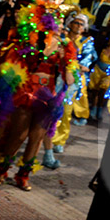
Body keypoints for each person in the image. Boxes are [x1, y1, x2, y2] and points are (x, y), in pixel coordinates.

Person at [0, 0, 78, 191]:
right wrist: (45, 49)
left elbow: (70, 79)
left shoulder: (67, 45)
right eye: (55, 17)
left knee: (36, 138)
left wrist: (66, 62)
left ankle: (23, 175)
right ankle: (2, 170)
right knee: (19, 135)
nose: (60, 22)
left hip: (49, 96)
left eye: (61, 18)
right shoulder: (32, 38)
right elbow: (21, 61)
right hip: (28, 91)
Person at [43, 13, 96, 168]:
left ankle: (59, 140)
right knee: (51, 108)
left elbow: (87, 60)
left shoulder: (87, 42)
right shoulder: (62, 38)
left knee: (65, 111)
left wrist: (77, 65)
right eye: (76, 23)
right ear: (70, 24)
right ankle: (47, 138)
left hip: (74, 79)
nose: (78, 26)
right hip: (57, 76)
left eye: (81, 24)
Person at [88, 34, 110, 121]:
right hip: (97, 71)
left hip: (108, 74)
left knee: (103, 91)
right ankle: (93, 110)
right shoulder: (102, 48)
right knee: (95, 92)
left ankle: (99, 111)